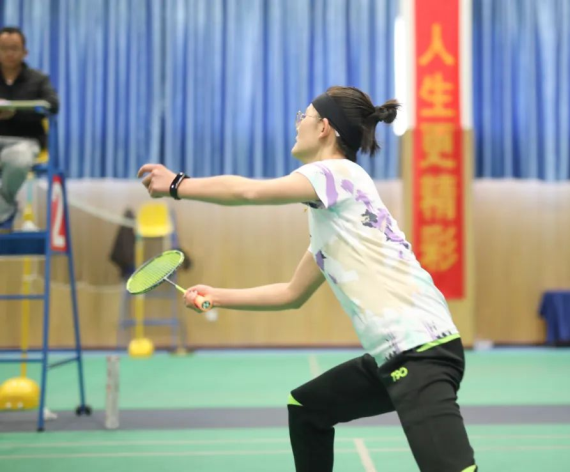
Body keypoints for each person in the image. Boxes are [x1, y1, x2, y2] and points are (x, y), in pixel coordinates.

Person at [138, 85, 477, 472]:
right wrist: (217, 295)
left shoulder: (335, 173)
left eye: (304, 116)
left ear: (324, 128)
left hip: (421, 351)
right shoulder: (334, 224)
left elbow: (248, 193)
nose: (298, 123)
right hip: (395, 355)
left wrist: (178, 185)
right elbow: (291, 294)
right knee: (308, 408)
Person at [0, 26, 59, 228]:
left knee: (16, 160)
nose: (9, 53)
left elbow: (53, 105)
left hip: (25, 142)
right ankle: (6, 210)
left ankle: (3, 212)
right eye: (4, 48)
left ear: (25, 52)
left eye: (14, 48)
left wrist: (15, 111)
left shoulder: (38, 79)